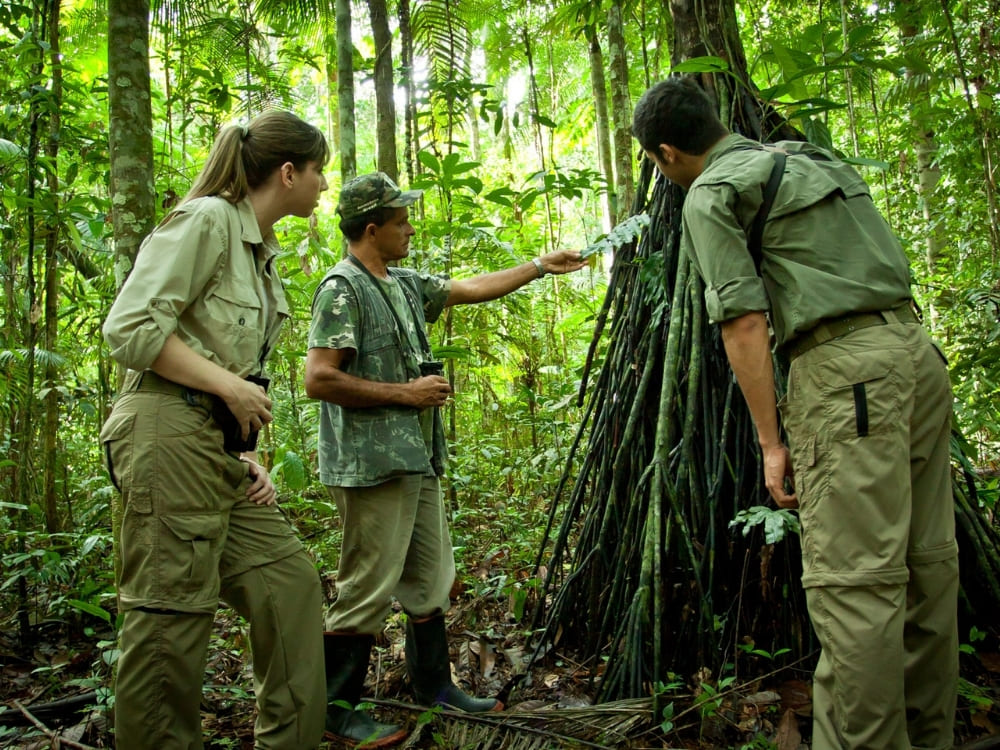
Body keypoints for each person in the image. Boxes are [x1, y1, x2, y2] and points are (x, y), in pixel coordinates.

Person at [631, 77, 959, 750]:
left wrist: (770, 442)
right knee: (929, 567)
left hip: (846, 375)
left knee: (856, 587)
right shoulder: (810, 158)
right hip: (917, 356)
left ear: (666, 154)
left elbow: (744, 323)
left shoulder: (711, 194)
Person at [304, 171, 587, 746]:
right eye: (401, 220)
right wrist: (406, 394)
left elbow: (468, 288)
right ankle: (334, 709)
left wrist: (538, 265)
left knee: (430, 579)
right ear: (372, 227)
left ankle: (434, 685)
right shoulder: (342, 289)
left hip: (418, 459)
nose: (411, 227)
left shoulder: (403, 283)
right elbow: (319, 378)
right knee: (367, 585)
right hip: (371, 466)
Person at [100, 110, 330, 750]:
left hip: (212, 448)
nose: (323, 187)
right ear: (288, 173)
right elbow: (131, 330)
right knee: (170, 617)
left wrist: (242, 452)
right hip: (163, 431)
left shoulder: (260, 256)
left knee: (287, 583)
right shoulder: (206, 221)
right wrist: (227, 387)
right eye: (319, 173)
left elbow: (221, 360)